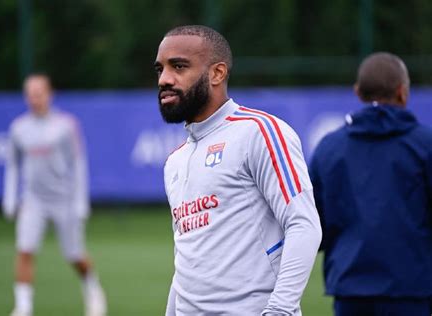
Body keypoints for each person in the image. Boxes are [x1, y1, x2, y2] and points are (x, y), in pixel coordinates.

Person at [154, 25, 322, 316]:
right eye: (160, 69)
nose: (165, 79)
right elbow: (186, 259)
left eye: (179, 66)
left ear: (217, 73)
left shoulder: (259, 132)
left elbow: (304, 224)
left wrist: (280, 310)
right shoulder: (175, 162)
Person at [309, 52, 432, 316]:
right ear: (403, 92)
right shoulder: (425, 145)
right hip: (412, 289)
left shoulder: (329, 147)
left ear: (358, 92)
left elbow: (313, 224)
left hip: (350, 289)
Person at [2, 74, 107, 316]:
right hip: (33, 200)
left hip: (64, 200)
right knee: (25, 250)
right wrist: (10, 198)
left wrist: (81, 201)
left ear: (49, 94)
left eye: (39, 93)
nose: (35, 99)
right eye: (30, 94)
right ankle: (23, 307)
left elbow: (79, 163)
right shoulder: (19, 128)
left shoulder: (65, 126)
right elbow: (13, 165)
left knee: (74, 255)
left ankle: (92, 287)